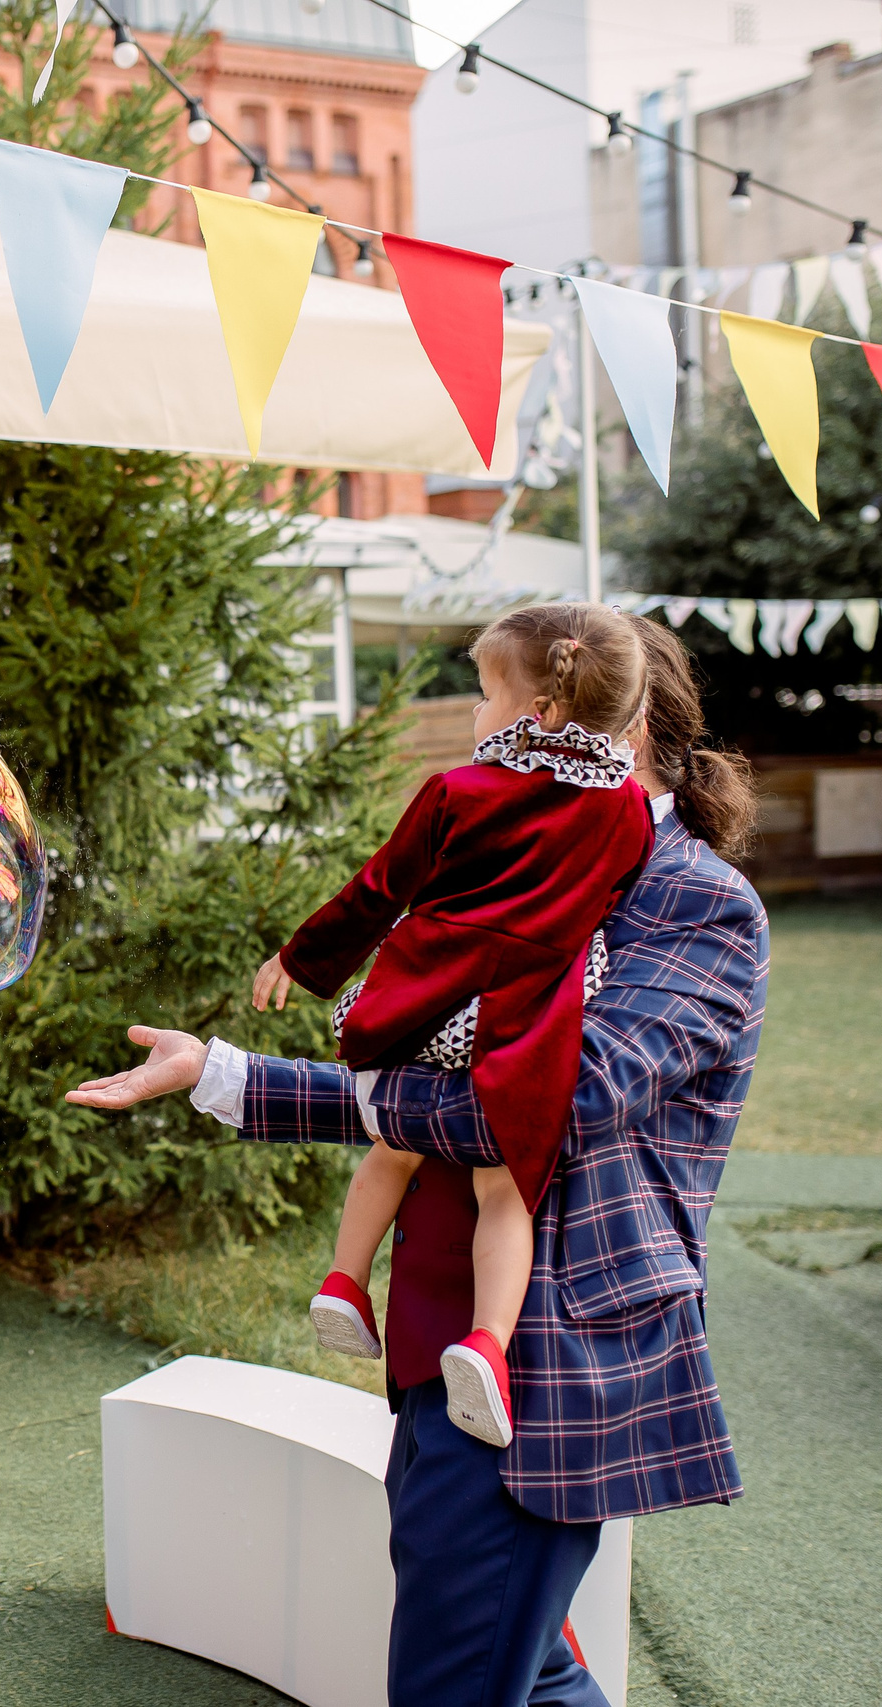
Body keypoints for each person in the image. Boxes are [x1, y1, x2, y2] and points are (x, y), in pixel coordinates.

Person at [66, 618, 766, 1707]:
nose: (475, 735)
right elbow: (426, 1044)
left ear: (588, 732)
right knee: (518, 1663)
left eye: (490, 706)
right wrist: (218, 1070)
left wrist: (262, 1083)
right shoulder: (522, 854)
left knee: (456, 1675)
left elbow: (556, 1109)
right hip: (443, 1338)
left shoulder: (695, 902)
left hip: (542, 1366)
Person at [257, 605, 653, 1451]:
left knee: (394, 1144)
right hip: (523, 1019)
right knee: (504, 1183)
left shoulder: (455, 791)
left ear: (537, 712)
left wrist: (301, 958)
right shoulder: (625, 811)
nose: (474, 714)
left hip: (427, 1000)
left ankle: (344, 1279)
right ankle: (487, 1343)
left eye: (481, 695)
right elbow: (613, 904)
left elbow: (378, 888)